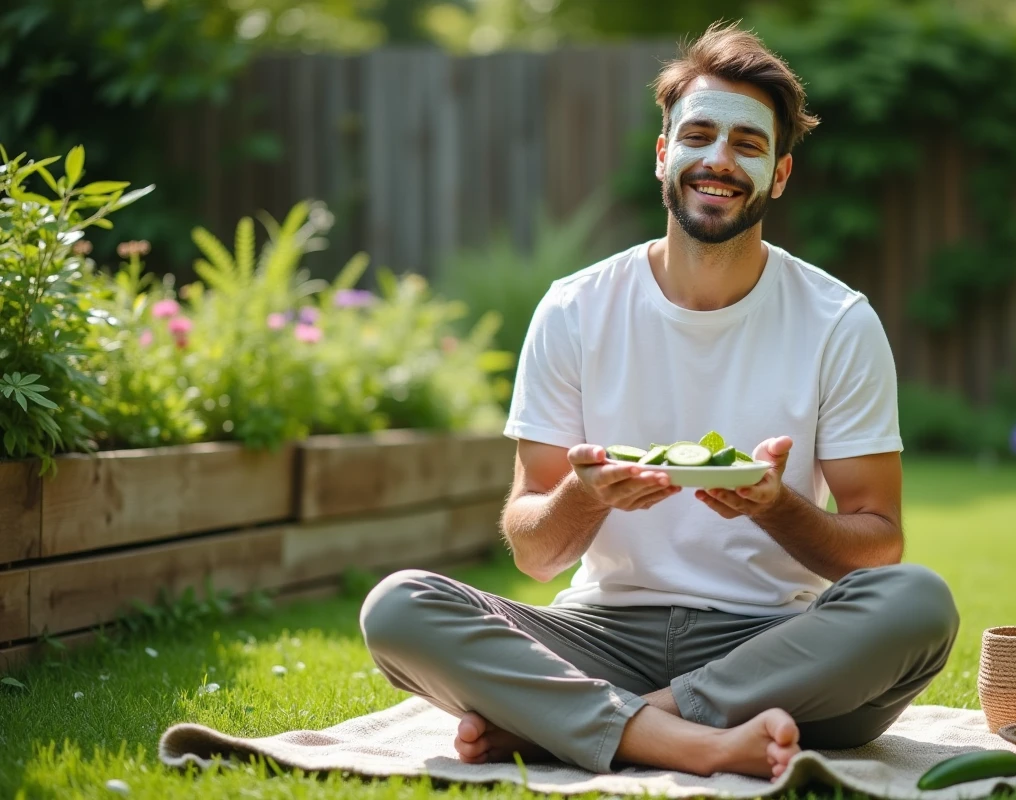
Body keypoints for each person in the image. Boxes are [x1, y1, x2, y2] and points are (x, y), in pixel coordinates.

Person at [359, 21, 959, 780]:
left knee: (917, 604)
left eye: (748, 143)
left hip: (772, 645)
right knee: (398, 605)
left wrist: (775, 505)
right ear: (662, 156)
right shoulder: (575, 309)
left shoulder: (838, 321)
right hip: (599, 631)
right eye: (699, 135)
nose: (718, 159)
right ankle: (694, 742)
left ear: (779, 176)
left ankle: (592, 722)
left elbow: (878, 545)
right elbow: (536, 551)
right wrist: (584, 498)